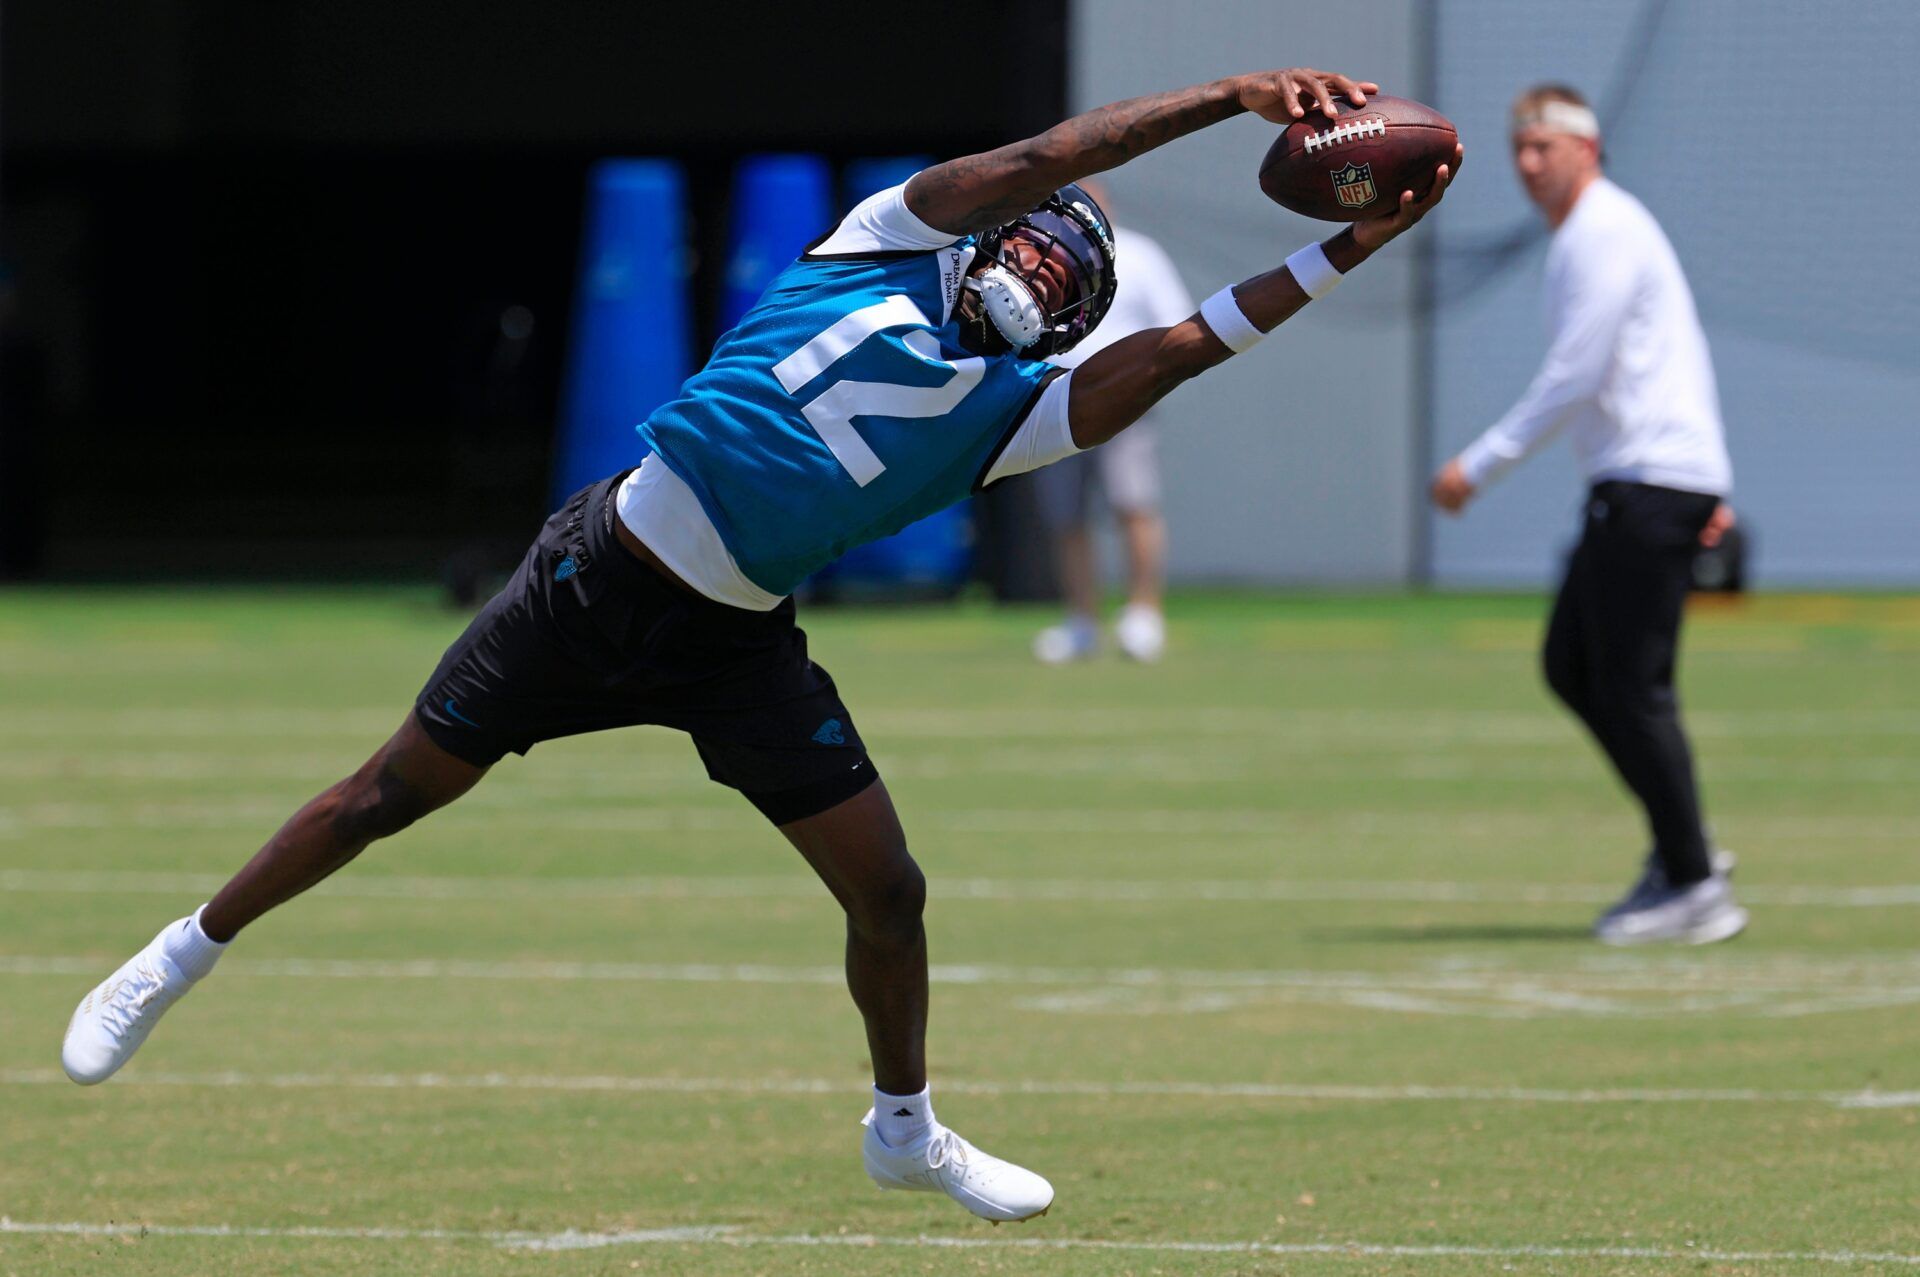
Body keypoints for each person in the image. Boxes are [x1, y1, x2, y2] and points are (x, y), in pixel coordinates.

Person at [62, 67, 1459, 1224]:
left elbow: (1193, 344)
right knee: (388, 794)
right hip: (596, 576)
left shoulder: (1020, 413)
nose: (1039, 266)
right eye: (1034, 238)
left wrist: (1347, 245)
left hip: (735, 646)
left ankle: (903, 1125)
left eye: (1067, 272)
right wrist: (1228, 98)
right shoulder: (880, 241)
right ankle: (180, 951)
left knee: (892, 893)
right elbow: (1048, 149)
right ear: (990, 235)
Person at [1429, 83, 1742, 946]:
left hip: (1649, 483)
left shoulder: (1602, 231)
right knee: (1574, 665)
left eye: (1547, 146)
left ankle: (1692, 881)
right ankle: (1686, 851)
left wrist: (1477, 465)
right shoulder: (1596, 233)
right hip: (1646, 482)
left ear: (1588, 149)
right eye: (1519, 147)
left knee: (1631, 687)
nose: (1529, 163)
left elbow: (1576, 373)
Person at [1030, 186, 1193, 664]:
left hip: (1125, 403)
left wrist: (1143, 381)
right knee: (1067, 516)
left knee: (1133, 504)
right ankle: (1082, 622)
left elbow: (1176, 324)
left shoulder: (1139, 254)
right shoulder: (1040, 254)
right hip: (1053, 400)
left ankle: (1143, 616)